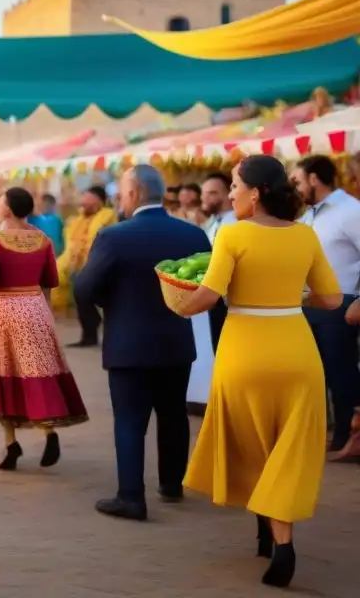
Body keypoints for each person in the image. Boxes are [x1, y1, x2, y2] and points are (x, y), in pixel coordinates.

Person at [179, 155, 342, 588]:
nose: (230, 193)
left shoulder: (232, 235)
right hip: (296, 350)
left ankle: (266, 532)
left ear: (256, 192)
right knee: (288, 446)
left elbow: (207, 297)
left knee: (252, 443)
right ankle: (279, 539)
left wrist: (173, 304)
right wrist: (291, 297)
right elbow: (330, 299)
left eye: (234, 185)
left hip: (244, 351)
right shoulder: (305, 236)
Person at [74, 165, 210, 522]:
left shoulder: (114, 236)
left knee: (130, 420)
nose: (119, 197)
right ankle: (171, 484)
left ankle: (131, 496)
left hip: (129, 342)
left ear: (134, 194)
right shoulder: (194, 236)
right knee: (173, 414)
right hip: (177, 340)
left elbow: (84, 288)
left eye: (122, 191)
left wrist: (111, 303)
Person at [0, 187, 88, 470]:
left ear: (7, 209)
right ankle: (49, 431)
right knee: (38, 372)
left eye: (0, 202)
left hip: (6, 309)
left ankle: (11, 443)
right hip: (35, 307)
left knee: (4, 372)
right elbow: (51, 278)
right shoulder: (43, 239)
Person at [290, 154, 360, 460]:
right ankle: (329, 433)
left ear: (314, 179)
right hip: (308, 304)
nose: (294, 187)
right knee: (315, 374)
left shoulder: (350, 210)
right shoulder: (308, 215)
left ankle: (348, 437)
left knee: (340, 372)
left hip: (341, 302)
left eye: (297, 181)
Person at [56, 186, 118, 347]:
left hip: (101, 264)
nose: (83, 202)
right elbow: (71, 245)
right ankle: (89, 335)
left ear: (99, 201)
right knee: (81, 297)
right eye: (83, 198)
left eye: (88, 198)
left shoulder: (108, 218)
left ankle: (98, 332)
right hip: (78, 266)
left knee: (89, 296)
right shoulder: (76, 221)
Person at [201, 172, 237, 352]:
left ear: (226, 194)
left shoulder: (236, 223)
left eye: (211, 193)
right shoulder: (210, 222)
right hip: (213, 297)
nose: (204, 198)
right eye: (203, 193)